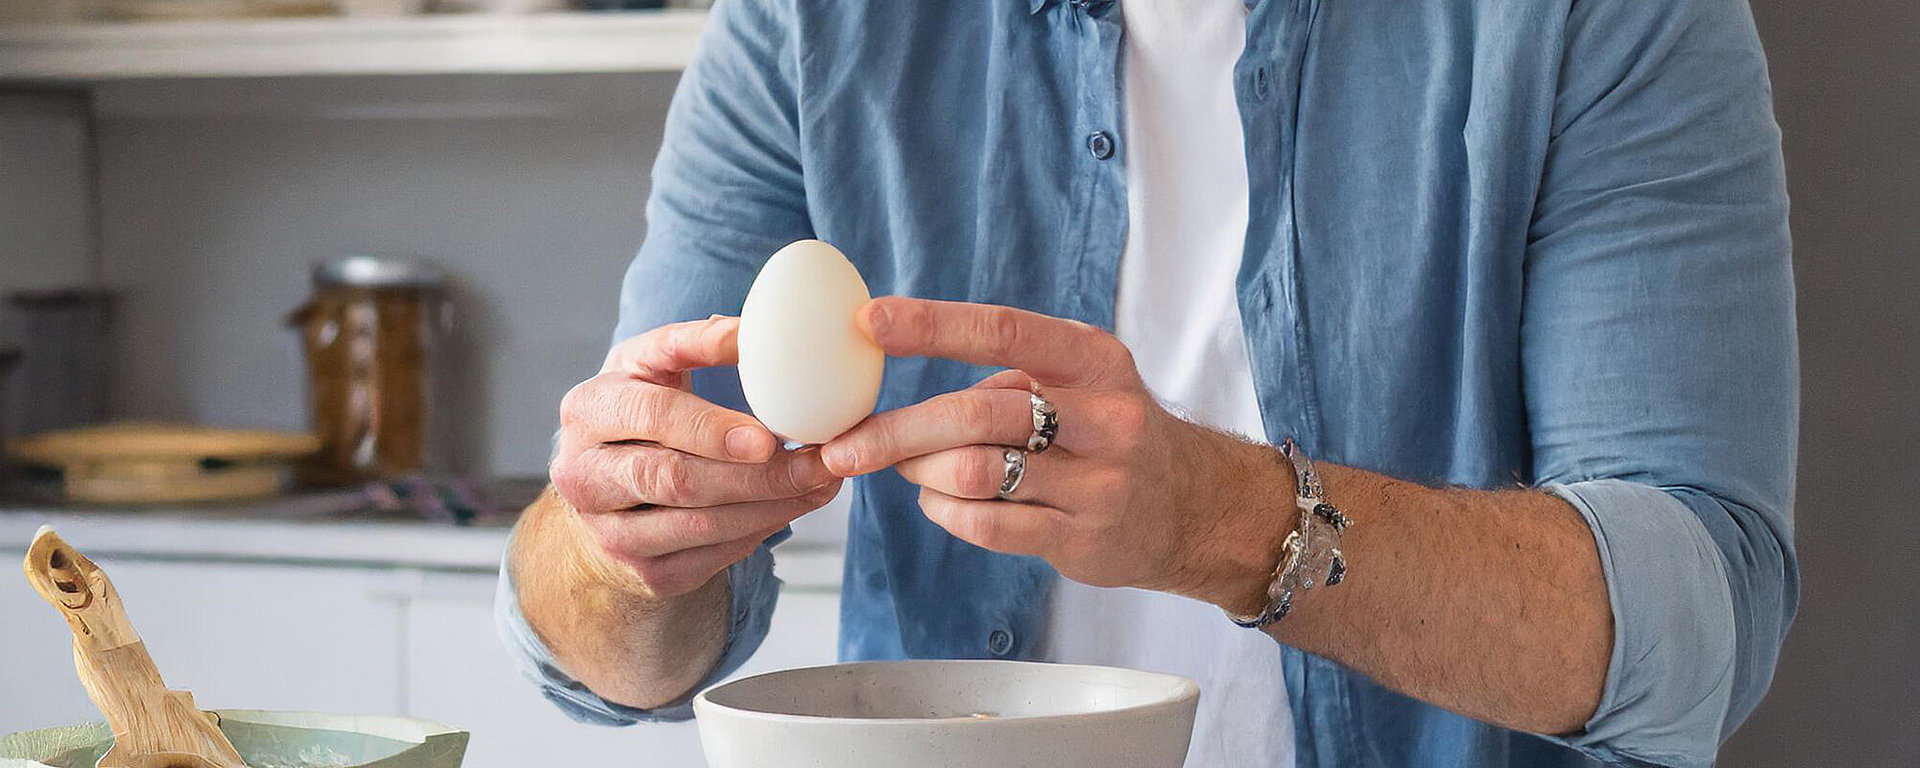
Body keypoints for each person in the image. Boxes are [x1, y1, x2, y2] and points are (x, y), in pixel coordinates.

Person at [496, 0, 1797, 765]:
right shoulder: (810, 26)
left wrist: (1228, 522)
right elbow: (609, 657)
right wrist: (625, 549)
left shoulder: (1589, 21)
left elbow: (1700, 629)